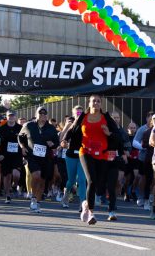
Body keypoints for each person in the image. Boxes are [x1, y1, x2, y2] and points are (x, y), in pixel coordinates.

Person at [68, 95, 122, 223]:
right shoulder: (83, 117)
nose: (96, 103)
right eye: (94, 101)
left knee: (99, 185)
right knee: (91, 180)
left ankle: (85, 204)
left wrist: (109, 133)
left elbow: (118, 135)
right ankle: (91, 213)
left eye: (98, 101)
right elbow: (73, 130)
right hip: (85, 152)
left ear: (101, 104)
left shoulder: (106, 118)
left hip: (102, 154)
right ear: (89, 103)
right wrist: (65, 141)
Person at [19, 106, 60, 213]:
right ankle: (33, 196)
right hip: (32, 156)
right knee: (36, 176)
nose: (42, 116)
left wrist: (53, 144)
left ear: (47, 116)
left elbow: (57, 142)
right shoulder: (29, 125)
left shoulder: (51, 128)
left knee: (42, 181)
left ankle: (37, 202)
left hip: (45, 157)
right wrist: (23, 147)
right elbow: (20, 136)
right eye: (40, 114)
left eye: (44, 114)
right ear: (36, 114)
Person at [0, 110, 24, 204]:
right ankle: (7, 195)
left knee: (16, 174)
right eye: (9, 116)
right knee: (7, 175)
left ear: (16, 117)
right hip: (5, 155)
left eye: (13, 116)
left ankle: (14, 185)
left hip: (17, 155)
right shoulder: (1, 128)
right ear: (7, 117)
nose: (11, 117)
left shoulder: (21, 128)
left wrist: (25, 153)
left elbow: (25, 141)